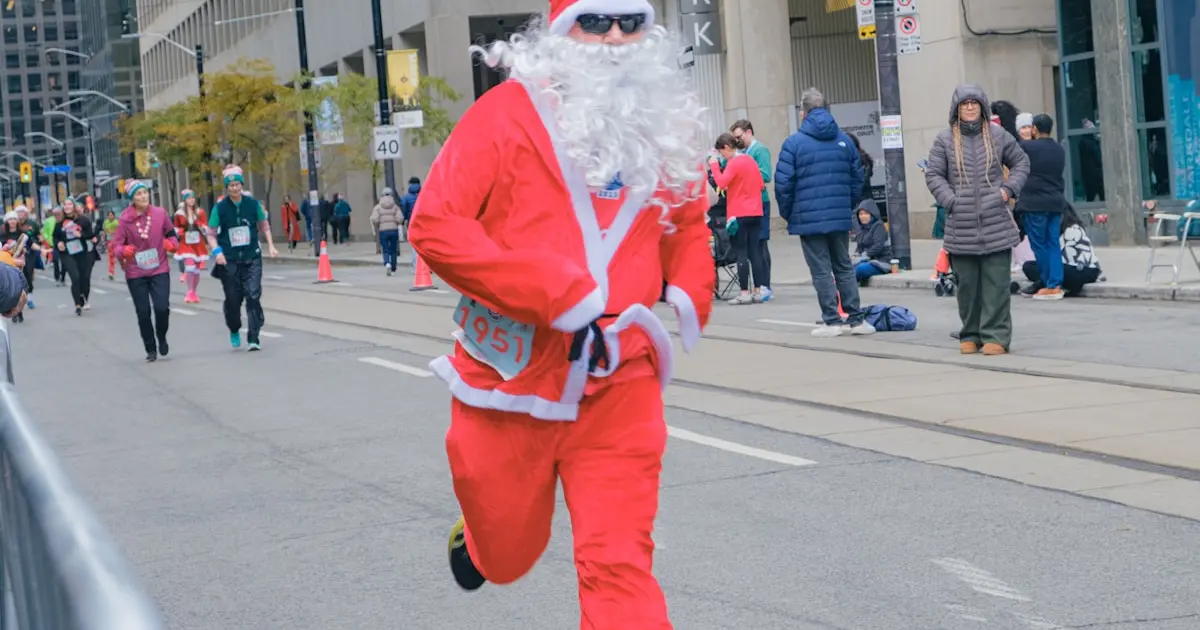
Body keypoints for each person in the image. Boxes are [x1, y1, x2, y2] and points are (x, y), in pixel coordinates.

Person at [407, 2, 713, 625]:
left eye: (631, 21)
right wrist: (545, 288)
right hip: (511, 382)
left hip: (621, 378)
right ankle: (479, 540)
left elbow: (686, 218)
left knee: (618, 565)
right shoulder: (503, 114)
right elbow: (435, 226)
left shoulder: (664, 122)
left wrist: (689, 284)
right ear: (559, 31)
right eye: (594, 21)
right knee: (508, 554)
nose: (616, 37)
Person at [925, 84, 1030, 356]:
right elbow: (934, 174)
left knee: (997, 286)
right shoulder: (944, 140)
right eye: (964, 104)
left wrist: (1007, 191)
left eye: (974, 103)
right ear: (956, 109)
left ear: (982, 107)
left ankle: (996, 335)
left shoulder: (998, 136)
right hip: (961, 226)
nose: (970, 107)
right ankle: (970, 333)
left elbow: (1021, 163)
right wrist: (950, 200)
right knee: (967, 287)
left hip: (996, 221)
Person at [775, 87, 873, 338]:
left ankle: (831, 320)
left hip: (808, 218)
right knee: (843, 265)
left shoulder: (794, 143)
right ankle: (855, 318)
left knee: (821, 269)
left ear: (803, 112)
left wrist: (790, 214)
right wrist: (846, 205)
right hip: (839, 216)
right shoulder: (843, 140)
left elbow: (783, 184)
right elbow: (857, 177)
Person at [208, 165, 278, 351]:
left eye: (237, 184)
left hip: (251, 256)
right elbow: (211, 233)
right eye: (230, 185)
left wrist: (270, 245)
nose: (234, 188)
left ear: (241, 185)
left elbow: (264, 226)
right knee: (233, 299)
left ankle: (254, 337)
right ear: (226, 187)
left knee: (253, 295)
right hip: (229, 259)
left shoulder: (252, 204)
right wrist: (217, 252)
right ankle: (234, 328)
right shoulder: (220, 208)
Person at [111, 181, 178, 362]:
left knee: (162, 307)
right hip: (136, 272)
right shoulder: (125, 220)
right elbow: (116, 245)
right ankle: (150, 348)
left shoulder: (160, 213)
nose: (143, 196)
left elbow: (172, 234)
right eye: (138, 194)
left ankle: (161, 336)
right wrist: (123, 251)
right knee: (143, 311)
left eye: (144, 192)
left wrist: (171, 245)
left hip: (159, 268)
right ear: (132, 199)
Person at [709, 132, 766, 304]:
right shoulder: (749, 160)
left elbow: (720, 182)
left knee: (741, 252)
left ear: (726, 147)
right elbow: (761, 184)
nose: (721, 156)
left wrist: (713, 166)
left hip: (739, 213)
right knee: (755, 252)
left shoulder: (734, 163)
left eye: (721, 152)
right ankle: (758, 290)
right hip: (756, 211)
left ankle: (744, 293)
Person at [1015, 113, 1067, 300]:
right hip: (1055, 202)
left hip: (1034, 203)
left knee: (1039, 245)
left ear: (1035, 128)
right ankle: (1056, 282)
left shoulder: (1027, 147)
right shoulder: (1059, 149)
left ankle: (1049, 284)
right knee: (1053, 242)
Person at [729, 119, 773, 301]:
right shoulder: (741, 153)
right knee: (751, 247)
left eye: (739, 137)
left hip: (759, 201)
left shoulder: (759, 150)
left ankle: (765, 286)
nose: (737, 142)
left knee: (760, 245)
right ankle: (757, 286)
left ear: (749, 132)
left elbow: (766, 175)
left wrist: (746, 175)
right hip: (746, 202)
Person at [1021, 204, 1100, 296]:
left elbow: (1057, 259)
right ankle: (1051, 283)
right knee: (1029, 266)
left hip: (1081, 271)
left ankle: (1043, 284)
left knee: (1042, 268)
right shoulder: (1071, 228)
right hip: (1083, 270)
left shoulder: (1069, 230)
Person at [52, 199, 97, 316]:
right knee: (75, 277)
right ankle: (77, 305)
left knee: (84, 278)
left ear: (74, 206)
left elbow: (91, 235)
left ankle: (83, 297)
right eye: (65, 204)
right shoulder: (59, 223)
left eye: (69, 204)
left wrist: (81, 235)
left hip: (81, 252)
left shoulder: (82, 220)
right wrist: (58, 244)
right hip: (67, 253)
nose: (67, 206)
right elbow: (55, 237)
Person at [173, 189, 210, 304]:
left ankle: (194, 291)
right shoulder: (179, 214)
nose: (191, 200)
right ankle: (189, 291)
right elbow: (176, 226)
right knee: (189, 267)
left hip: (198, 242)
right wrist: (179, 231)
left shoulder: (200, 212)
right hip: (186, 242)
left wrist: (201, 226)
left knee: (197, 270)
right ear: (185, 200)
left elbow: (206, 226)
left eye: (193, 198)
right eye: (189, 198)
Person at [1, 211, 39, 321]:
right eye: (10, 219)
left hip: (22, 262)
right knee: (12, 286)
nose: (12, 221)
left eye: (14, 219)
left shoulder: (22, 234)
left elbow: (31, 244)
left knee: (23, 284)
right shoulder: (2, 235)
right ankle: (12, 309)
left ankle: (20, 310)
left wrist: (42, 249)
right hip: (8, 265)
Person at [853, 202, 892, 283]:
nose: (863, 216)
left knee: (861, 269)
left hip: (881, 262)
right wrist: (855, 255)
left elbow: (878, 246)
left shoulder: (878, 226)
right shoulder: (862, 228)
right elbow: (860, 246)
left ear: (872, 214)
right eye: (860, 214)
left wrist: (863, 256)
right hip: (866, 260)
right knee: (846, 268)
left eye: (866, 214)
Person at [370, 188, 403, 276]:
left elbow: (375, 219)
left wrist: (379, 223)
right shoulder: (395, 206)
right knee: (393, 250)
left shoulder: (378, 207)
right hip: (394, 230)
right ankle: (393, 268)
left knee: (385, 249)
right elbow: (400, 219)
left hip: (383, 231)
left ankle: (387, 263)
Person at [103, 210, 120, 279]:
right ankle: (111, 272)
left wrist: (113, 232)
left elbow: (120, 231)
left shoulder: (117, 222)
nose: (110, 216)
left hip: (117, 241)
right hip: (109, 241)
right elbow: (105, 231)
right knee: (111, 257)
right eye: (109, 215)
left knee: (118, 256)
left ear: (114, 216)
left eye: (111, 215)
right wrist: (103, 237)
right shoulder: (106, 222)